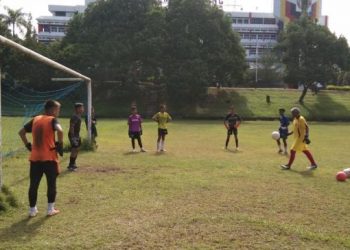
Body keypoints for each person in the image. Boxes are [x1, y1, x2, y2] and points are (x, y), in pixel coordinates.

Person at [18, 100, 63, 217]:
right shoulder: (52, 119)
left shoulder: (36, 119)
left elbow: (21, 132)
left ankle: (32, 210)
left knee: (33, 185)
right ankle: (50, 209)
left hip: (35, 158)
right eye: (58, 110)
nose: (58, 112)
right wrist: (60, 144)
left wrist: (28, 145)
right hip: (49, 158)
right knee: (51, 184)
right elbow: (60, 130)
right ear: (53, 110)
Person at [68, 103, 84, 171]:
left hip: (76, 135)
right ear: (77, 109)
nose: (82, 109)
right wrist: (73, 137)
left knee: (76, 149)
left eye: (83, 108)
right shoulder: (75, 116)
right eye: (81, 108)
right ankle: (71, 165)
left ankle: (73, 164)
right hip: (73, 135)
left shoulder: (78, 116)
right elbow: (72, 126)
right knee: (74, 150)